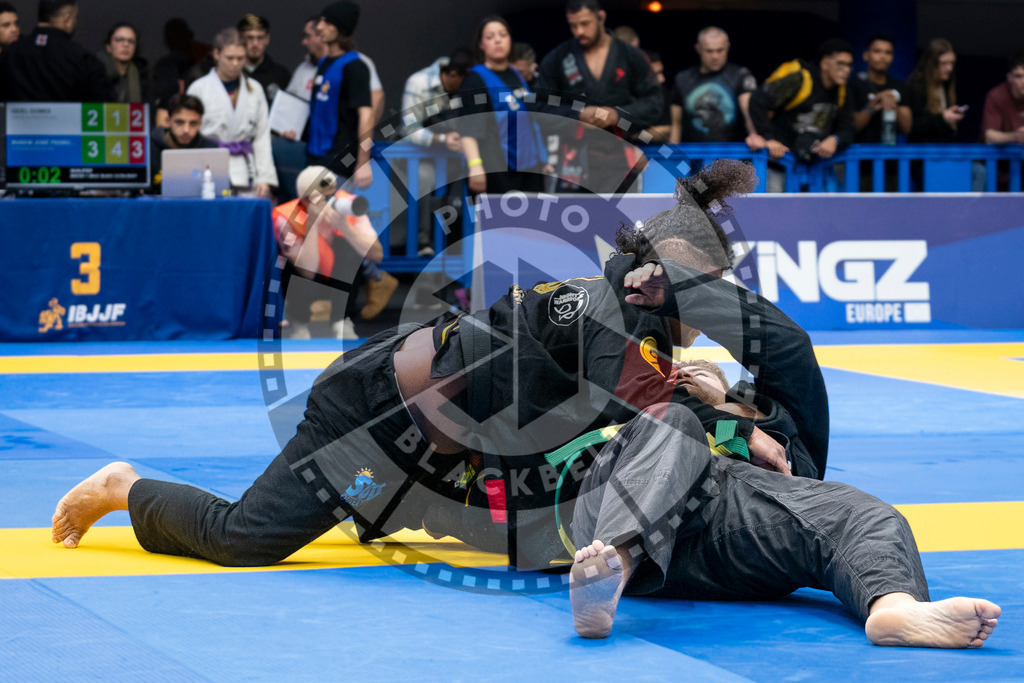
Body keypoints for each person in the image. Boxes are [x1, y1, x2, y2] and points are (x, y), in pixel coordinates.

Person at [51, 160, 821, 574]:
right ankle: (124, 486)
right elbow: (651, 407)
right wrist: (736, 427)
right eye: (706, 289)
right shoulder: (601, 311)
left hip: (430, 443)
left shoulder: (637, 326)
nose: (712, 310)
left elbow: (630, 412)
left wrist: (722, 401)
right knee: (243, 537)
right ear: (667, 271)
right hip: (372, 416)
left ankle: (374, 513)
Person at [563, 364, 1002, 648]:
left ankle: (895, 610)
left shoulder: (756, 420)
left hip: (717, 520)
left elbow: (795, 472)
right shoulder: (627, 375)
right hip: (617, 503)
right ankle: (610, 568)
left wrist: (724, 402)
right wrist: (693, 406)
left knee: (865, 510)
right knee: (675, 422)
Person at [536, 0, 663, 193]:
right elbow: (539, 109)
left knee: (622, 223)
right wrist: (576, 116)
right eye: (573, 25)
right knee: (572, 221)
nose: (579, 31)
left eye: (585, 24)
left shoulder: (630, 56)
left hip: (620, 160)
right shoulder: (558, 59)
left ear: (601, 17)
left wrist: (617, 115)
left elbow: (654, 102)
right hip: (573, 162)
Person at [273, 165, 385, 339]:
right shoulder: (287, 215)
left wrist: (344, 227)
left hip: (339, 280)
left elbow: (377, 255)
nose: (325, 199)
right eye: (318, 195)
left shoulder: (349, 205)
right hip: (308, 279)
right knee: (291, 265)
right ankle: (299, 321)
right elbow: (306, 272)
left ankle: (341, 320)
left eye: (329, 192)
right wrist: (312, 225)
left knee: (350, 248)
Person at [457, 15, 549, 195]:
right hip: (497, 169)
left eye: (503, 35)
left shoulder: (515, 74)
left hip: (528, 166)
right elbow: (468, 129)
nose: (497, 40)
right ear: (481, 45)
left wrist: (543, 160)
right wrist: (475, 166)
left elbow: (530, 119)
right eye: (490, 37)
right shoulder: (475, 80)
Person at [187, 27, 277, 198]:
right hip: (208, 167)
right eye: (230, 58)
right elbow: (190, 136)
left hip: (246, 170)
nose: (235, 63)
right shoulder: (199, 89)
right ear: (216, 54)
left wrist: (264, 178)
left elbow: (262, 136)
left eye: (240, 58)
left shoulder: (255, 89)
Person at [401, 47, 473, 255]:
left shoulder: (461, 86)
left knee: (462, 184)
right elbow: (408, 129)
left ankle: (454, 246)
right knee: (425, 177)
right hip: (416, 152)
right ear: (452, 75)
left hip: (450, 157)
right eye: (462, 83)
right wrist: (441, 139)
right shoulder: (418, 83)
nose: (465, 89)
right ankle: (423, 242)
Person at [748, 39, 856, 164]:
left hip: (813, 164)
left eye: (849, 65)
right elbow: (757, 101)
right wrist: (769, 138)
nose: (847, 70)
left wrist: (835, 139)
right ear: (825, 63)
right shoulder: (800, 79)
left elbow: (848, 129)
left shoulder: (843, 91)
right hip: (780, 160)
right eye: (841, 64)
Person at [306, 1, 373, 189]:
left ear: (339, 28)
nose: (319, 27)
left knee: (334, 217)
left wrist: (363, 162)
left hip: (339, 161)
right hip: (316, 156)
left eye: (327, 23)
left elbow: (366, 115)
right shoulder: (324, 63)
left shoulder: (355, 67)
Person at [0, 0, 115, 102]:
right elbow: (104, 110)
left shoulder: (9, 55)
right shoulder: (83, 59)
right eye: (75, 17)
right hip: (70, 125)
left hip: (17, 125)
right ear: (68, 20)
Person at [669, 26, 758, 144]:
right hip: (693, 155)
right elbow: (676, 124)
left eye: (720, 50)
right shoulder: (682, 79)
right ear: (698, 48)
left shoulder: (740, 75)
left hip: (732, 156)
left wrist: (754, 135)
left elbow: (748, 111)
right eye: (709, 51)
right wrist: (671, 158)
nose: (715, 56)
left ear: (727, 47)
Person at [149, 93, 218, 194]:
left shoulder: (210, 150)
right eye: (180, 122)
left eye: (193, 123)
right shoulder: (147, 148)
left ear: (200, 123)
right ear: (168, 121)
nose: (186, 130)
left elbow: (223, 189)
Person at [851, 34, 912, 144]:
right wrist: (873, 104)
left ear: (892, 57)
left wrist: (893, 104)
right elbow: (851, 127)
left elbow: (907, 128)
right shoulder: (854, 84)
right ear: (866, 55)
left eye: (888, 52)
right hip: (859, 155)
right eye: (877, 51)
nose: (883, 56)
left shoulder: (900, 86)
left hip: (888, 155)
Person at [906, 38, 963, 143]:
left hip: (942, 152)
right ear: (931, 63)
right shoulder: (917, 84)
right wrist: (943, 118)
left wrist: (951, 119)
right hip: (921, 153)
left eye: (952, 63)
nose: (949, 68)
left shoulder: (946, 83)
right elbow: (913, 125)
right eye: (944, 63)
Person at [237, 14, 291, 104]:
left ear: (267, 39)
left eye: (260, 38)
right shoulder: (231, 72)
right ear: (240, 39)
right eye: (250, 38)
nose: (255, 43)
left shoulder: (281, 75)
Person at [980, 51, 1024, 145]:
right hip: (1000, 157)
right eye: (1018, 76)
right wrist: (1016, 136)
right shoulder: (997, 95)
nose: (1023, 81)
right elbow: (989, 136)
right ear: (1009, 77)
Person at [98, 22, 148, 105]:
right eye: (119, 40)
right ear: (108, 47)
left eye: (131, 41)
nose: (126, 44)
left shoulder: (142, 77)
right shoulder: (97, 76)